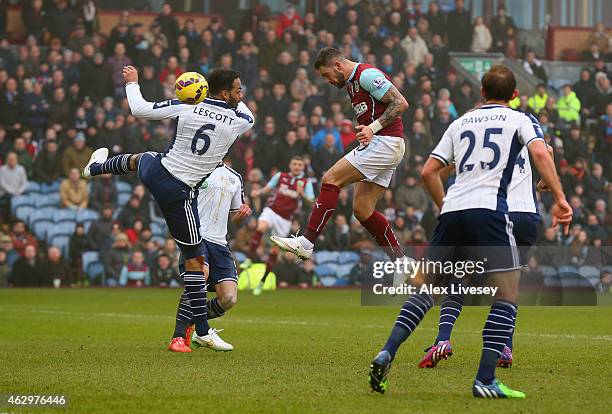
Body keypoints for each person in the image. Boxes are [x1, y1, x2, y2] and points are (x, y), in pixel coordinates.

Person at [368, 65, 572, 398]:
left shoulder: (460, 122)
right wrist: (561, 198)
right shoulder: (520, 119)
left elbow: (428, 171)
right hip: (490, 212)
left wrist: (446, 204)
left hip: (453, 213)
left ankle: (387, 351)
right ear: (515, 95)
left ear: (481, 93)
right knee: (506, 292)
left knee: (428, 288)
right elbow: (540, 151)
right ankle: (485, 379)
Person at [83, 66, 254, 344]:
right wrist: (226, 97)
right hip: (179, 192)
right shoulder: (237, 121)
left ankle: (96, 168)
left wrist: (132, 82)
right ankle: (200, 331)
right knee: (196, 263)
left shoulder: (187, 106)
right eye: (237, 89)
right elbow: (248, 114)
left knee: (141, 158)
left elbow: (139, 109)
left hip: (158, 171)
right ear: (225, 93)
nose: (241, 93)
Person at [271, 48, 410, 276]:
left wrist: (372, 128)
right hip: (385, 144)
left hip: (385, 142)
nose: (327, 80)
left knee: (330, 178)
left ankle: (306, 242)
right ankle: (401, 262)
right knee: (363, 210)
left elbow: (400, 103)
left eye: (326, 75)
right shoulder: (350, 83)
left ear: (337, 65)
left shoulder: (365, 74)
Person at [418, 139, 554, 370]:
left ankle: (442, 339)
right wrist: (544, 180)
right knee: (508, 286)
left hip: (495, 214)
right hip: (526, 216)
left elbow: (439, 171)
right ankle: (505, 347)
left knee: (459, 277)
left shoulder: (479, 136)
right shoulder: (523, 129)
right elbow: (547, 150)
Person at [169, 162, 251, 353]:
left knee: (229, 299)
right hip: (197, 236)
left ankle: (196, 327)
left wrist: (242, 213)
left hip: (220, 243)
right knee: (201, 275)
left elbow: (234, 216)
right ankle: (178, 337)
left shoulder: (234, 177)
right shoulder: (196, 169)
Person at [248, 156, 314, 296]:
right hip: (271, 210)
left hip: (285, 220)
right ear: (290, 165)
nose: (296, 167)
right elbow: (268, 188)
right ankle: (249, 259)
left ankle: (262, 281)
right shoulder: (280, 176)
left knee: (274, 252)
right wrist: (257, 193)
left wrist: (302, 195)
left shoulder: (305, 183)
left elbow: (312, 203)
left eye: (299, 165)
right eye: (294, 164)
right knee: (260, 228)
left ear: (303, 167)